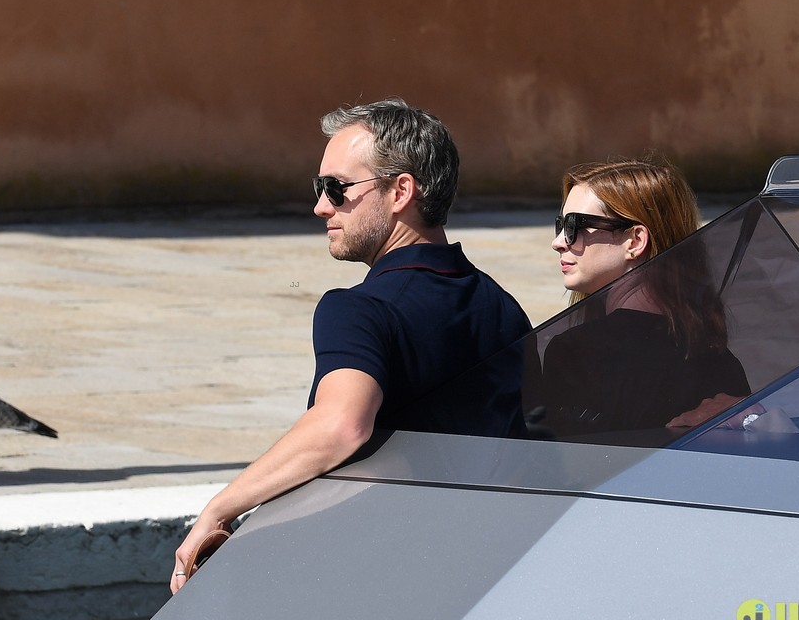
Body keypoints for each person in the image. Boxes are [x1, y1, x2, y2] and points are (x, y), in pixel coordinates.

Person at [170, 99, 530, 593]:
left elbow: (341, 425)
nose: (321, 206)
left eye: (336, 188)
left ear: (400, 190)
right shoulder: (502, 306)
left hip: (380, 582)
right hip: (486, 573)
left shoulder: (359, 309)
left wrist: (221, 508)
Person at [525, 157, 749, 439]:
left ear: (635, 241)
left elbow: (560, 460)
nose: (558, 242)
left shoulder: (577, 352)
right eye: (560, 225)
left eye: (575, 226)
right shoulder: (718, 356)